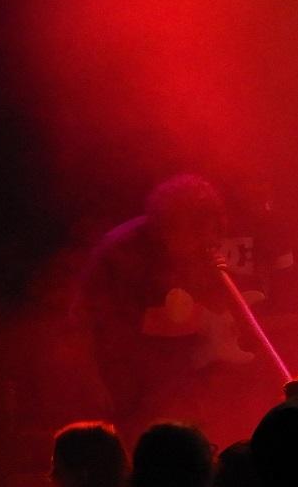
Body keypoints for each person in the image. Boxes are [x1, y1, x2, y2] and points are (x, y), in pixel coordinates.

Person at [77, 175, 261, 435]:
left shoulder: (192, 251)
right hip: (122, 376)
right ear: (171, 228)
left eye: (210, 238)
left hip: (175, 374)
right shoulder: (120, 255)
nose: (205, 247)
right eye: (198, 238)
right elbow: (119, 327)